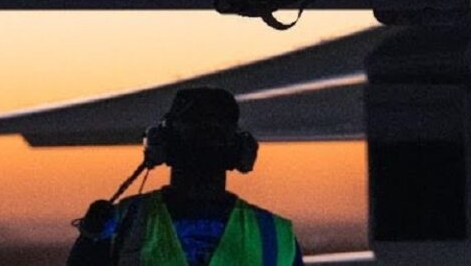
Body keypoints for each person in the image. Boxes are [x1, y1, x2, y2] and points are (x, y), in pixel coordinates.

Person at [68, 87, 301, 266]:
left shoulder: (119, 224)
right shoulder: (274, 234)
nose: (205, 143)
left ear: (161, 144)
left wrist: (91, 239)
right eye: (198, 130)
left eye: (213, 132)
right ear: (241, 150)